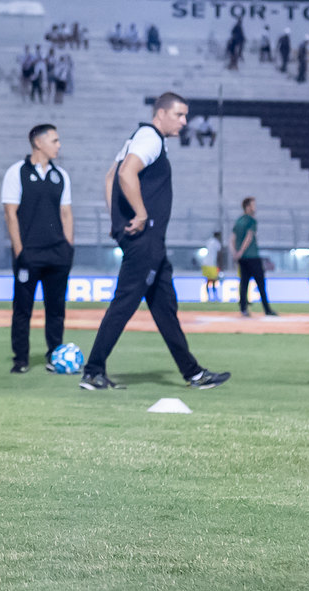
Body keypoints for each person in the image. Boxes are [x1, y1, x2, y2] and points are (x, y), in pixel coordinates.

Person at [79, 93, 229, 392]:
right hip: (145, 239)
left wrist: (116, 222)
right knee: (124, 303)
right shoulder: (151, 138)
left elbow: (110, 176)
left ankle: (193, 373)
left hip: (149, 242)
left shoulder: (139, 137)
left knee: (164, 308)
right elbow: (124, 173)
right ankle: (93, 371)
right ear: (160, 113)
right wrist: (140, 212)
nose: (185, 122)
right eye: (180, 115)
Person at [1, 122, 74, 373]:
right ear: (38, 143)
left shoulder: (60, 175)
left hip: (57, 254)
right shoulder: (16, 172)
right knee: (23, 309)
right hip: (29, 253)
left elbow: (66, 213)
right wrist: (20, 251)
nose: (59, 145)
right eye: (54, 140)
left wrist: (68, 247)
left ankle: (55, 356)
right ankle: (21, 359)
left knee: (57, 310)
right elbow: (10, 214)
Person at [234, 197, 274, 318]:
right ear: (248, 207)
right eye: (253, 205)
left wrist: (236, 253)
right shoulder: (251, 221)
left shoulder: (238, 221)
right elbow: (249, 237)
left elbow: (232, 238)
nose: (255, 207)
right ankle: (267, 309)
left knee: (244, 282)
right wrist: (241, 250)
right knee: (260, 283)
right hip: (252, 256)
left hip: (242, 258)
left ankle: (243, 308)